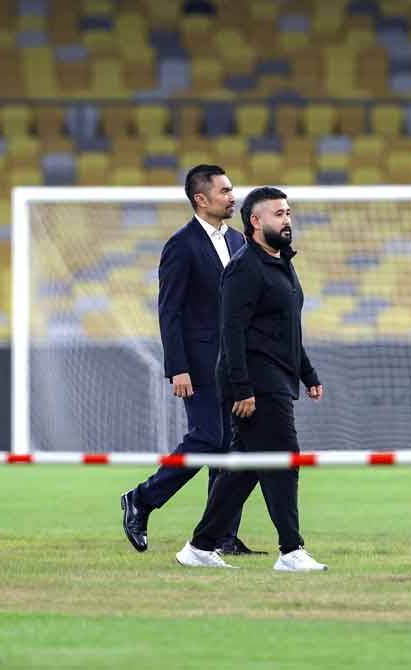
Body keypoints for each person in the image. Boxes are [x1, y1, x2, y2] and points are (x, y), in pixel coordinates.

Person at [176, 186, 326, 571]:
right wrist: (242, 388)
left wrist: (307, 372)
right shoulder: (244, 268)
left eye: (289, 213)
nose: (287, 220)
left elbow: (287, 329)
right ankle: (291, 550)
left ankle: (199, 547)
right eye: (279, 214)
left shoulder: (283, 264)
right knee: (283, 459)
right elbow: (232, 333)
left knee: (243, 469)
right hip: (255, 383)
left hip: (278, 376)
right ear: (256, 222)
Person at [120, 165, 261, 556]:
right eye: (225, 191)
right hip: (198, 365)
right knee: (208, 439)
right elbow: (170, 311)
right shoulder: (181, 245)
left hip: (236, 365)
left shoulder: (239, 241)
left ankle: (222, 537)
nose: (233, 197)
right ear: (201, 198)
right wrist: (177, 367)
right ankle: (142, 499)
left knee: (231, 448)